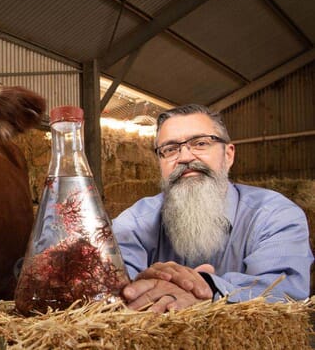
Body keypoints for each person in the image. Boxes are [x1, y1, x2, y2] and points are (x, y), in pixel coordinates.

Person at [112, 104, 313, 313]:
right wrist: (143, 287)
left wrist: (207, 288)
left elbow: (283, 291)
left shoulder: (275, 215)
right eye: (170, 149)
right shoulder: (135, 221)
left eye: (200, 143)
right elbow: (111, 285)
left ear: (228, 155)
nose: (185, 157)